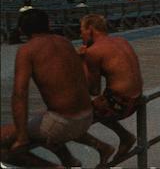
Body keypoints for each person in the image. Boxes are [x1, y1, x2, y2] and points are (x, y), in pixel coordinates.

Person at [0, 9, 93, 168]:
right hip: (86, 117)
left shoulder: (27, 50)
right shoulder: (65, 42)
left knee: (6, 140)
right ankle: (70, 161)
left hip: (63, 123)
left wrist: (22, 137)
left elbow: (19, 94)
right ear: (48, 24)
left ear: (22, 30)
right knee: (40, 121)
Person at [75, 14, 143, 165]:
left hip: (121, 104)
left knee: (70, 122)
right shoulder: (121, 40)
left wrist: (81, 61)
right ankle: (125, 137)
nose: (80, 35)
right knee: (99, 105)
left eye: (82, 30)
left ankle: (102, 148)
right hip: (137, 99)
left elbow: (93, 90)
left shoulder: (94, 51)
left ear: (90, 29)